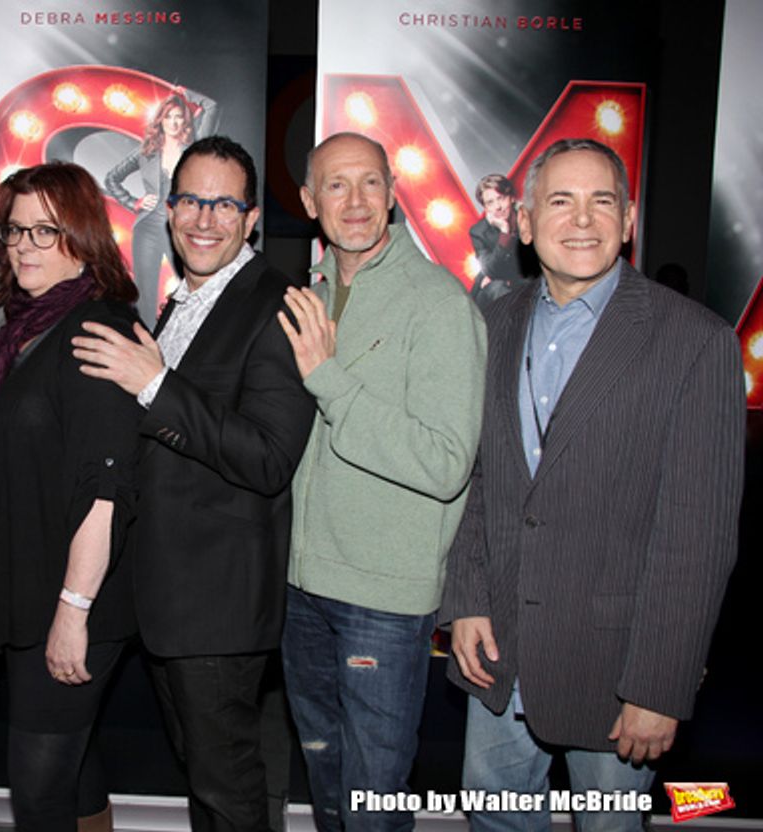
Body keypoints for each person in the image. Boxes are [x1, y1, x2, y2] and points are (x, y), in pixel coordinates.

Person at [440, 138, 744, 831]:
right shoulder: (490, 322)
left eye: (601, 201)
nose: (582, 220)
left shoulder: (695, 342)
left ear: (628, 218)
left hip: (613, 672)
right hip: (498, 655)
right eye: (560, 201)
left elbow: (697, 538)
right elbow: (476, 477)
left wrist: (658, 687)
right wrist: (465, 600)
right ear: (522, 223)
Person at [73, 135, 314, 831]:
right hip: (169, 598)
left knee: (227, 791)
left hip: (219, 604)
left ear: (251, 218)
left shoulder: (276, 304)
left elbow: (269, 457)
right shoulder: (186, 301)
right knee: (206, 784)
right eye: (189, 200)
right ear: (168, 207)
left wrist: (153, 384)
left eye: (223, 203)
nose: (203, 218)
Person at [278, 132, 486, 832]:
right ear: (310, 202)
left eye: (371, 182)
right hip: (301, 590)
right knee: (329, 787)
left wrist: (330, 382)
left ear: (394, 192)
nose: (357, 201)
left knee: (372, 801)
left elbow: (445, 460)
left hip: (384, 605)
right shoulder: (308, 294)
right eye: (337, 185)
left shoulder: (437, 303)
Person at [0, 162, 141, 831]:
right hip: (32, 588)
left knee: (38, 794)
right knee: (73, 769)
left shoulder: (96, 330)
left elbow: (107, 490)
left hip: (72, 600)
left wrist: (73, 611)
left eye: (47, 230)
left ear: (83, 236)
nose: (25, 246)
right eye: (15, 231)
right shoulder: (25, 331)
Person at [105, 88, 218, 326]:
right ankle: (145, 346)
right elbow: (111, 179)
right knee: (144, 292)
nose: (174, 122)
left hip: (181, 225)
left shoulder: (195, 148)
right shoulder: (147, 152)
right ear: (160, 121)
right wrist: (133, 202)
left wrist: (186, 93)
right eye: (168, 117)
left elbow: (211, 106)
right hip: (148, 227)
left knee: (193, 285)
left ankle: (192, 339)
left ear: (185, 120)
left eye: (179, 117)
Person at [468, 173, 534, 311]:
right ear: (485, 207)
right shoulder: (479, 232)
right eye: (490, 202)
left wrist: (503, 276)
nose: (497, 207)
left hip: (522, 281)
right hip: (491, 293)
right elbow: (490, 270)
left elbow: (533, 263)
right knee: (497, 287)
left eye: (501, 198)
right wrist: (504, 233)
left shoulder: (528, 216)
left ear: (511, 198)